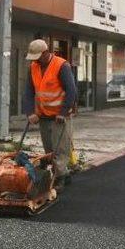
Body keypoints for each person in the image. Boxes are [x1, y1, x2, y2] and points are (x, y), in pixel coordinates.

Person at [23, 39, 77, 192]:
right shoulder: (33, 67)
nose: (35, 60)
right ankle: (61, 175)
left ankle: (60, 177)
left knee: (60, 148)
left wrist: (63, 111)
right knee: (49, 150)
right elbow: (28, 92)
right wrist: (30, 112)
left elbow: (71, 90)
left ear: (46, 53)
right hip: (43, 115)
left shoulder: (61, 66)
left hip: (60, 116)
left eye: (37, 56)